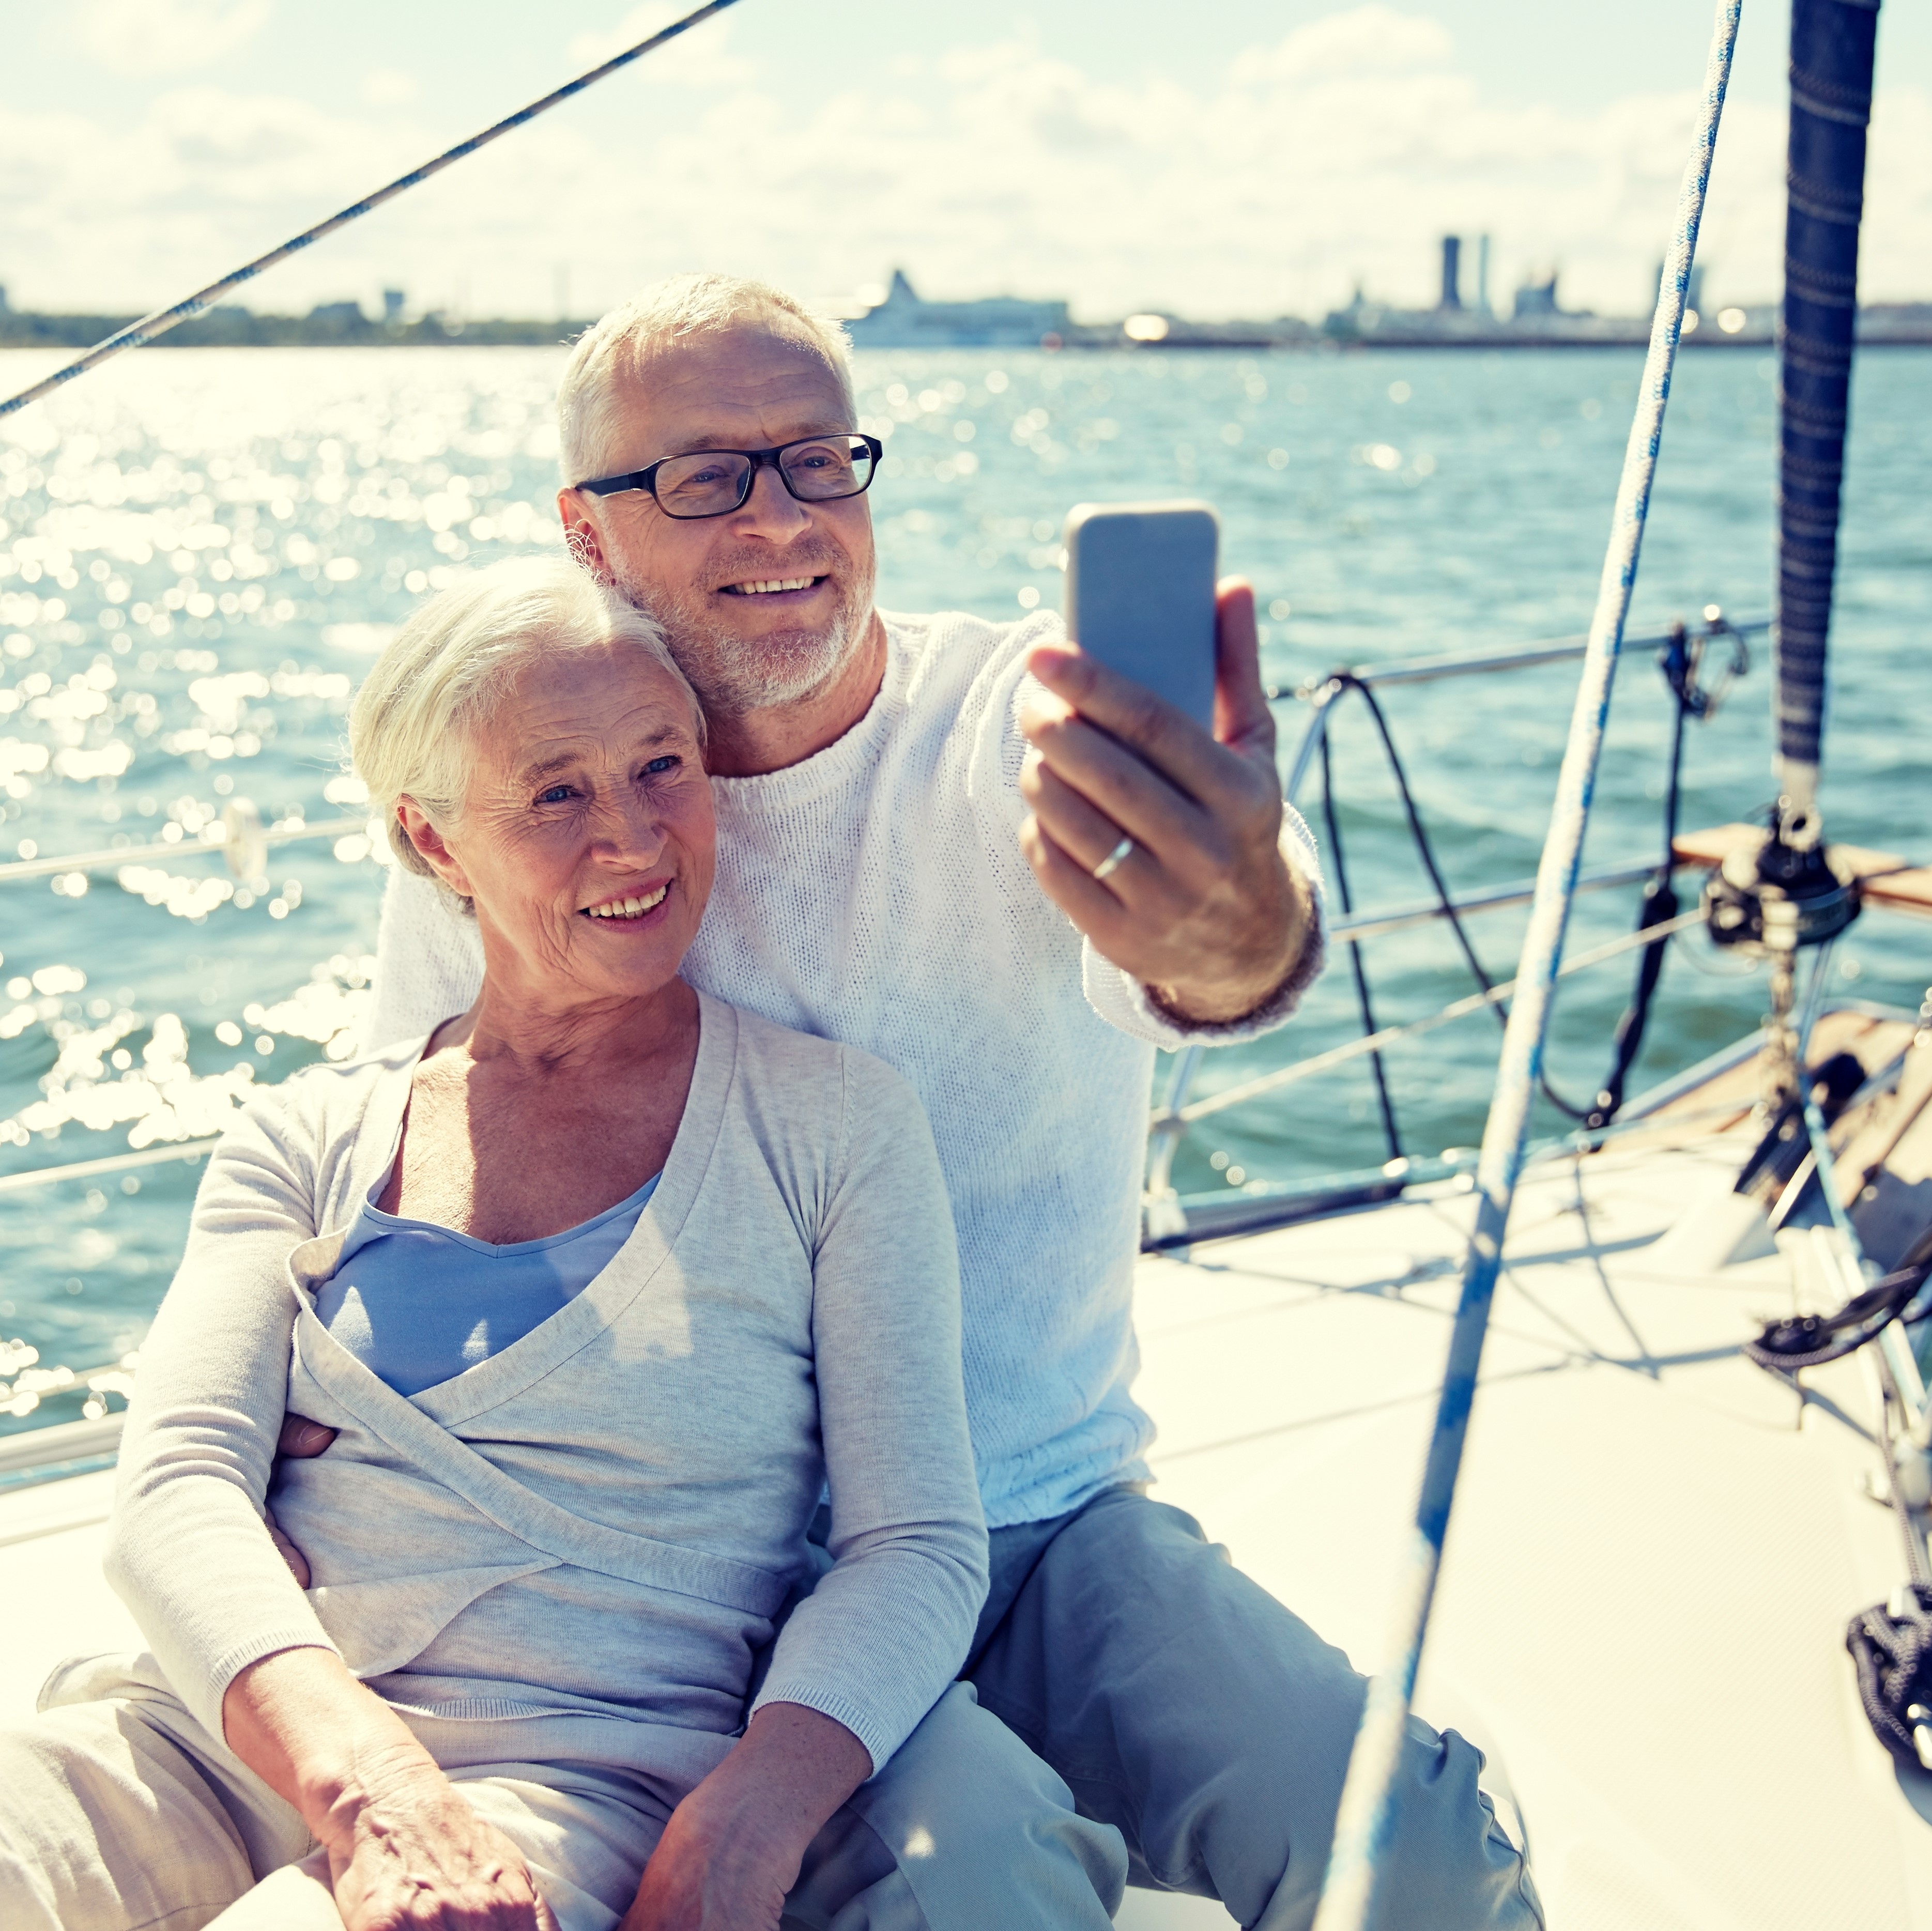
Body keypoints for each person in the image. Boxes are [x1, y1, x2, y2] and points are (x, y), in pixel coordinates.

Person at [333, 275, 1543, 1927]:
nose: (781, 516)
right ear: (589, 533)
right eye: (704, 475)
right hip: (705, 1567)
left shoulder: (1022, 734)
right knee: (968, 1877)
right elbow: (435, 1162)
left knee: (1413, 1845)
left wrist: (1232, 919)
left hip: (1040, 1510)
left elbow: (1226, 957)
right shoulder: (531, 806)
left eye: (820, 460)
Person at [0, 560, 1123, 1930]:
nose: (634, 838)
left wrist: (749, 1816)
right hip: (232, 1734)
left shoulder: (833, 1126)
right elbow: (175, 1485)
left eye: (663, 767)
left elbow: (912, 1541)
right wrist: (367, 1787)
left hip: (578, 1768)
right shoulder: (304, 1136)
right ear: (431, 844)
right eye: (556, 792)